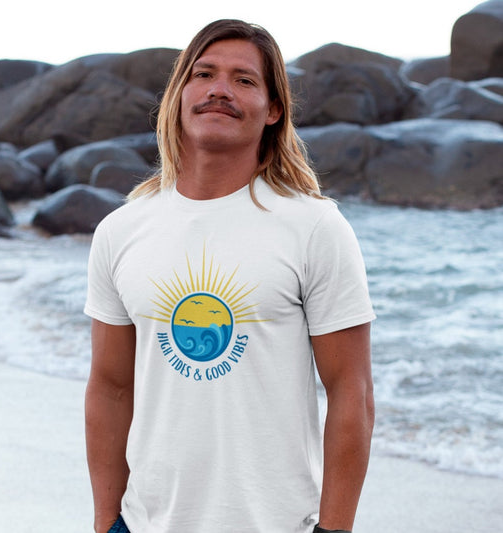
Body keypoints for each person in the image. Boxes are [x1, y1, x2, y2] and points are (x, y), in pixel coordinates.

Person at [84, 19, 375, 533]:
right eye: (204, 74)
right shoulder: (120, 230)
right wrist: (107, 522)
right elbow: (110, 388)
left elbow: (351, 389)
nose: (220, 89)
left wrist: (335, 530)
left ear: (273, 109)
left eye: (244, 80)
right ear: (179, 95)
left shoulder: (313, 226)